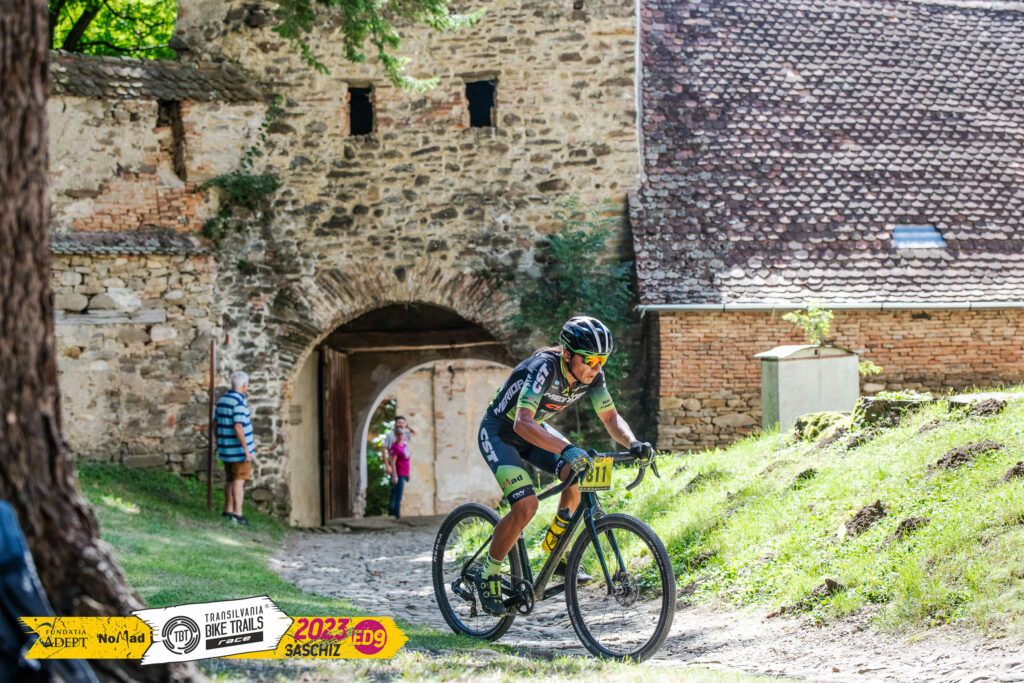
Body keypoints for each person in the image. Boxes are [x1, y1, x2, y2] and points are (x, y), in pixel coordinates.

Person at [474, 316, 653, 616]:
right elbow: (521, 421)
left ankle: (555, 551)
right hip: (501, 432)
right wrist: (567, 448)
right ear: (568, 354)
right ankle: (488, 572)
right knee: (526, 506)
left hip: (535, 430)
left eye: (602, 360)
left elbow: (610, 418)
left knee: (579, 478)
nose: (597, 367)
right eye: (591, 360)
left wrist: (633, 443)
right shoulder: (543, 368)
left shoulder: (594, 376)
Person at [215, 371, 255, 526]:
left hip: (226, 448)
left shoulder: (222, 399)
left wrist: (218, 442)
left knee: (230, 479)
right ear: (244, 385)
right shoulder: (239, 401)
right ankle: (238, 514)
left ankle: (228, 510)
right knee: (239, 481)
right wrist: (246, 449)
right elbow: (238, 425)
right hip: (238, 450)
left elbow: (215, 423)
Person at [387, 429, 411, 519]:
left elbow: (407, 458)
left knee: (399, 494)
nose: (401, 436)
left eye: (402, 434)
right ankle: (396, 515)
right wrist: (394, 475)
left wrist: (408, 473)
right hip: (399, 474)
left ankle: (395, 514)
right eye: (399, 434)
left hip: (404, 473)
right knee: (398, 495)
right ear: (396, 435)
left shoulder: (404, 445)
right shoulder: (395, 447)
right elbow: (392, 462)